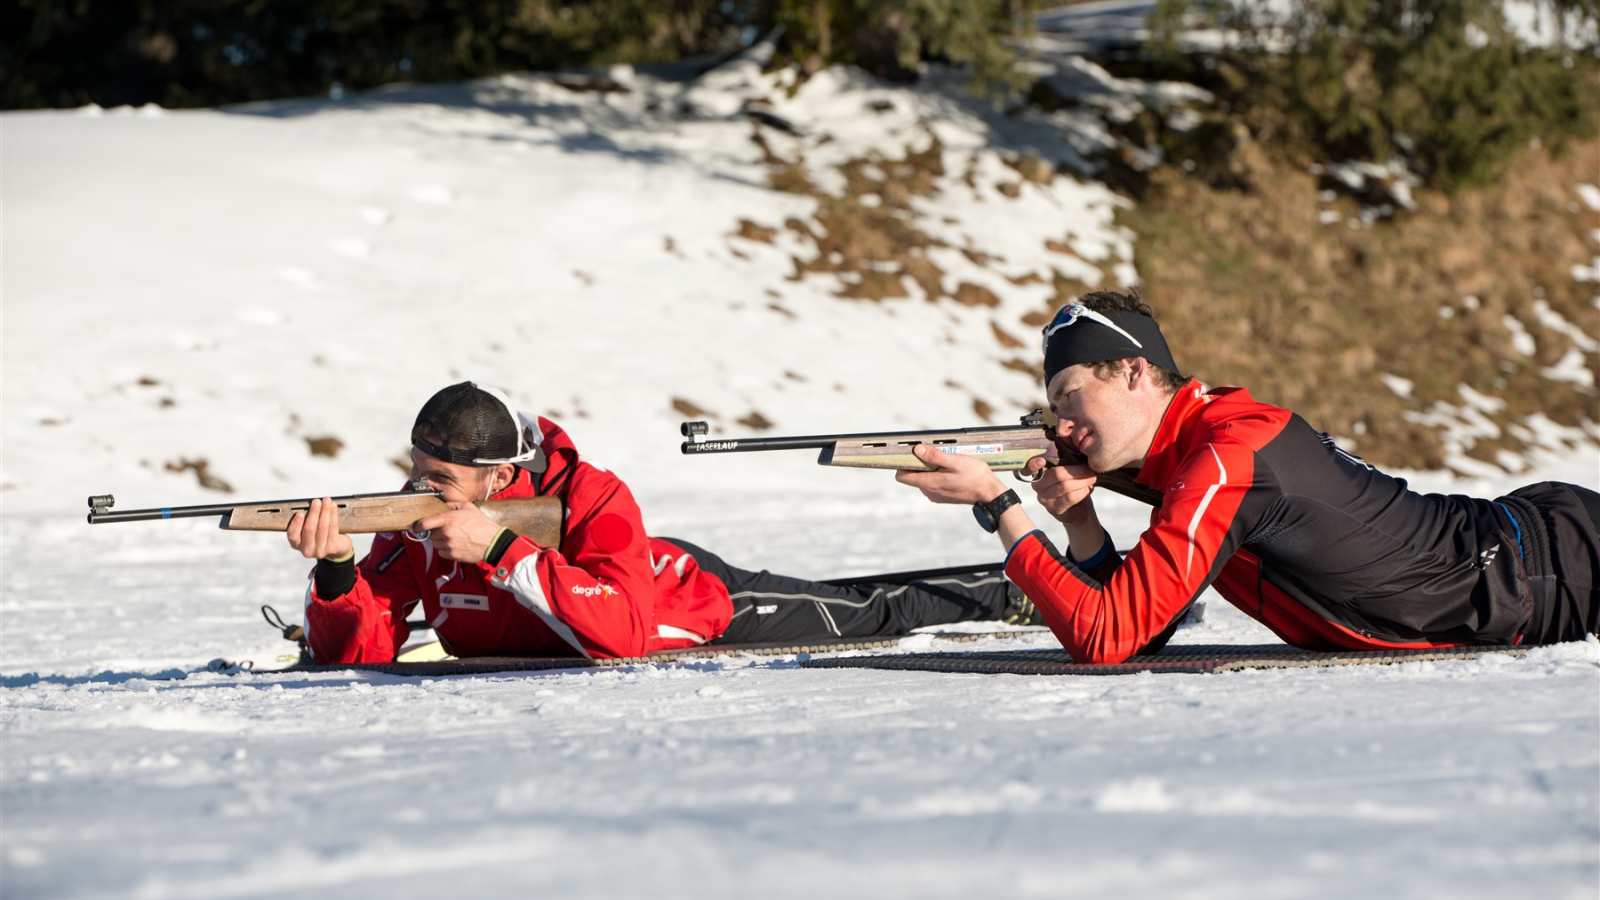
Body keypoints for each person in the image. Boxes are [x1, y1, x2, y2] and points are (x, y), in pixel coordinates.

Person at [896, 290, 1600, 664]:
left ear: (1136, 372)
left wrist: (999, 505)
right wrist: (1080, 522)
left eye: (1070, 397)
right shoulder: (1189, 456)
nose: (1063, 423)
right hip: (1533, 547)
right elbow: (1143, 629)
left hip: (1552, 566)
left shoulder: (1223, 459)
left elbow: (1104, 637)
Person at [289, 381, 1031, 664]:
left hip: (687, 597)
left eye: (439, 478)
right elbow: (360, 654)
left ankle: (1015, 589)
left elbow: (621, 635)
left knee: (867, 612)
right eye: (416, 468)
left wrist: (505, 548)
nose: (419, 489)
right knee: (851, 598)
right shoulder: (419, 513)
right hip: (594, 591)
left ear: (502, 478)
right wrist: (334, 575)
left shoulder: (593, 495)